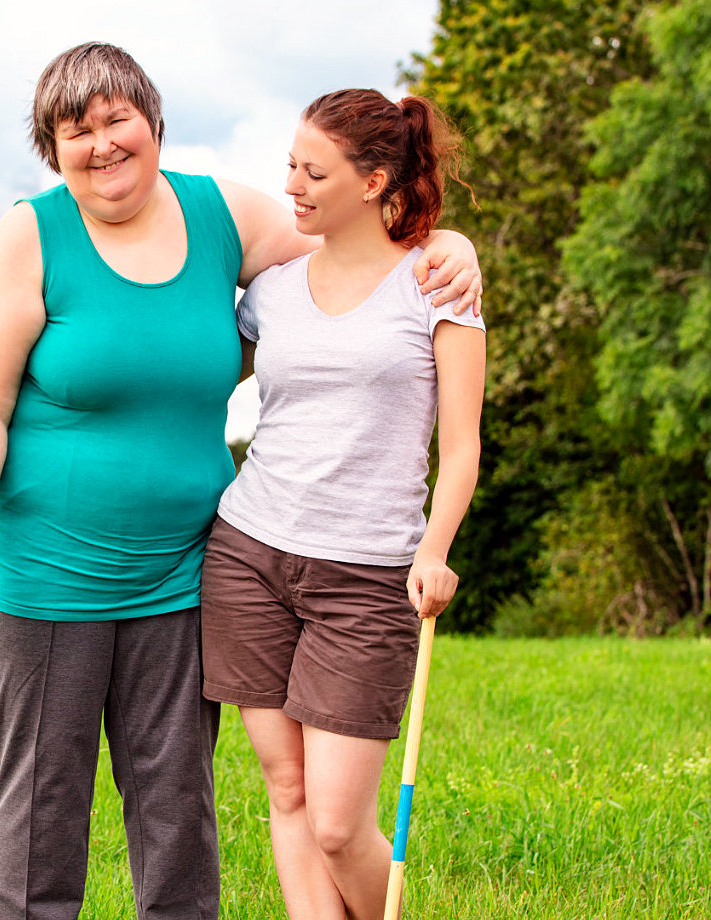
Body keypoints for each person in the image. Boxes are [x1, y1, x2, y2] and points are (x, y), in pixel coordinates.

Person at [0, 44, 482, 920]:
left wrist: (451, 244)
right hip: (47, 574)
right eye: (75, 130)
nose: (102, 143)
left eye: (118, 118)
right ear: (52, 149)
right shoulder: (29, 236)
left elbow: (355, 235)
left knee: (175, 808)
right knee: (42, 806)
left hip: (184, 572)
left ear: (153, 124)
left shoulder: (222, 214)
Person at [198, 87, 487, 920]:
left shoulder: (436, 283)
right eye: (288, 164)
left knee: (336, 824)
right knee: (284, 790)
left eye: (312, 172)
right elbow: (191, 374)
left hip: (366, 578)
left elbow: (460, 444)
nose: (291, 185)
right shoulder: (272, 290)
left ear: (371, 182)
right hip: (248, 555)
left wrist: (434, 550)